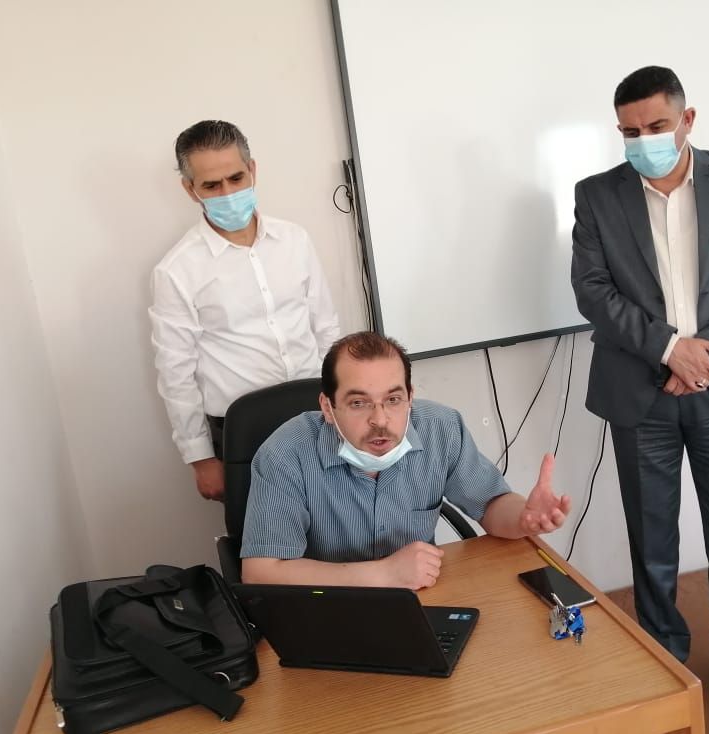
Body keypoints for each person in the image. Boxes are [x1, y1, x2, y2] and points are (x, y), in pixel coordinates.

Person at [571, 66, 709, 724]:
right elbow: (592, 291)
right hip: (641, 392)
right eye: (629, 132)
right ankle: (663, 656)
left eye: (657, 126)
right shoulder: (596, 195)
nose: (643, 140)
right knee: (651, 538)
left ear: (687, 119)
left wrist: (706, 356)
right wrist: (670, 349)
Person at [240, 331, 571, 589]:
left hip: (421, 595)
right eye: (358, 403)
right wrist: (383, 574)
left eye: (393, 400)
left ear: (410, 397)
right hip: (325, 604)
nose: (380, 419)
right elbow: (260, 572)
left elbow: (491, 506)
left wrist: (523, 518)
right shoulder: (285, 453)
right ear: (328, 407)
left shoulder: (441, 429)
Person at [150, 120, 340, 502]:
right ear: (190, 189)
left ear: (252, 170)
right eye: (211, 185)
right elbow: (175, 372)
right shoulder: (177, 270)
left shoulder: (294, 240)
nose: (228, 193)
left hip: (318, 413)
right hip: (244, 431)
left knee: (340, 523)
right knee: (266, 534)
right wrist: (201, 458)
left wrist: (345, 403)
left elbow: (326, 327)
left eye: (236, 178)